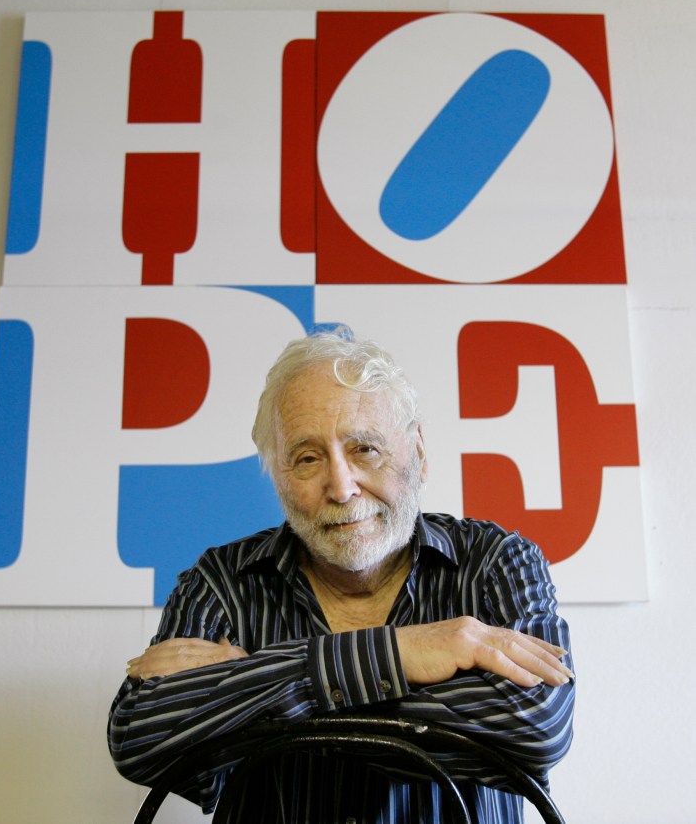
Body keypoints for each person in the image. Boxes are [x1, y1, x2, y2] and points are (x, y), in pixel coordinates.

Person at [108, 329, 574, 823]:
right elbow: (140, 737)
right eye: (307, 458)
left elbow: (537, 725)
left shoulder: (496, 563)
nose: (342, 486)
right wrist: (398, 653)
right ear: (277, 475)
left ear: (416, 448)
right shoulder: (222, 582)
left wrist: (259, 683)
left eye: (365, 449)